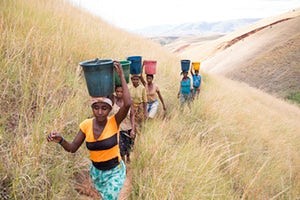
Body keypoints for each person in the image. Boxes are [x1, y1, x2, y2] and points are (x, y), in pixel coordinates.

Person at [47, 61, 131, 200]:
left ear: (110, 110)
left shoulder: (113, 122)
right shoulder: (86, 125)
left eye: (104, 108)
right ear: (92, 108)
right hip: (97, 174)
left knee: (108, 197)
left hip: (115, 172)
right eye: (95, 107)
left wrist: (121, 75)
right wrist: (61, 140)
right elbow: (72, 148)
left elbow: (127, 104)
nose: (99, 112)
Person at [111, 85, 135, 163]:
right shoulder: (113, 101)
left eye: (121, 92)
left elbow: (132, 115)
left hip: (128, 127)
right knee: (121, 148)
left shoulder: (128, 101)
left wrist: (133, 129)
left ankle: (128, 157)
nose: (119, 93)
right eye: (117, 91)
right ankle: (123, 162)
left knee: (129, 146)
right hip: (118, 129)